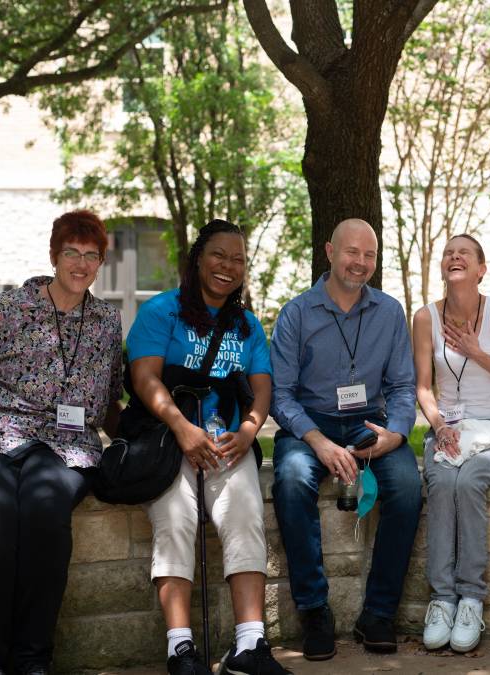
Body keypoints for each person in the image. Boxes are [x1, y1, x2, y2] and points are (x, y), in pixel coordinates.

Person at [0, 210, 123, 675]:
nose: (80, 264)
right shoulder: (9, 308)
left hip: (62, 444)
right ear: (54, 255)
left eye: (91, 256)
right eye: (71, 253)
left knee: (45, 511)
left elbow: (111, 398)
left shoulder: (106, 323)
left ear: (100, 264)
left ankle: (32, 660)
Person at [126, 220, 286, 675]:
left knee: (246, 515)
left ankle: (249, 646)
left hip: (227, 446)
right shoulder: (162, 312)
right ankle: (181, 648)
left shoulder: (246, 325)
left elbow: (261, 391)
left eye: (238, 260)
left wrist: (250, 429)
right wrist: (181, 428)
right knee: (174, 519)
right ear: (198, 258)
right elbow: (144, 378)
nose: (228, 267)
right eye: (219, 255)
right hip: (170, 442)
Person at [269, 218, 421, 660]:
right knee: (293, 480)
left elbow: (402, 387)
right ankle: (315, 610)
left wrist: (395, 434)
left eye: (369, 254)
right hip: (310, 424)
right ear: (330, 252)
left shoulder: (389, 312)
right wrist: (317, 441)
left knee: (409, 488)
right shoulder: (297, 313)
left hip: (368, 423)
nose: (360, 262)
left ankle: (378, 613)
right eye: (352, 252)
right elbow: (280, 394)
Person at [413, 234, 490, 652]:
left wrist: (475, 351)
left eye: (464, 252)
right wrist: (439, 425)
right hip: (447, 430)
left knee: (468, 482)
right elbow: (423, 388)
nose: (454, 256)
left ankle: (471, 599)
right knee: (443, 483)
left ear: (481, 269)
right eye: (448, 252)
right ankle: (442, 600)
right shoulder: (425, 318)